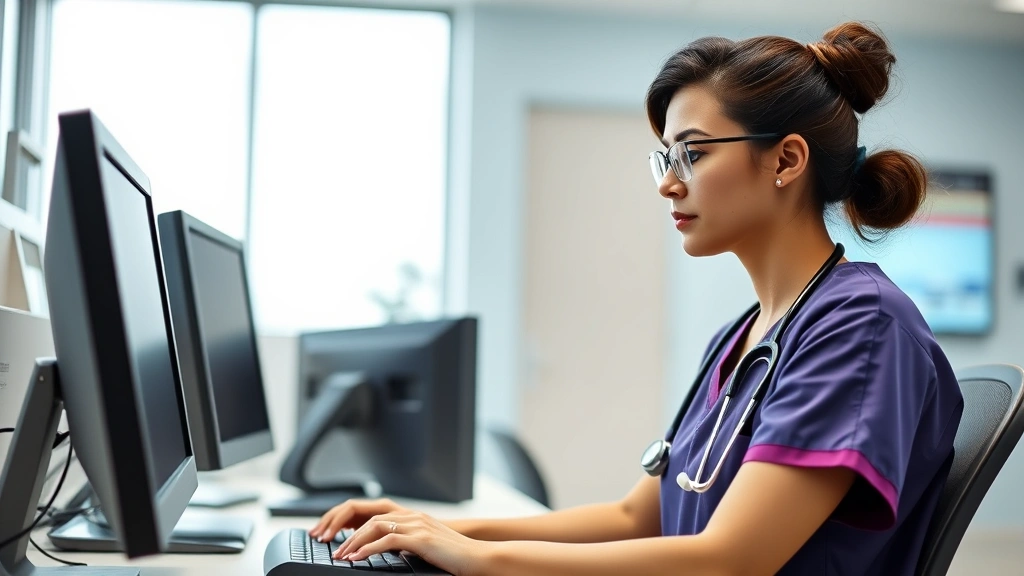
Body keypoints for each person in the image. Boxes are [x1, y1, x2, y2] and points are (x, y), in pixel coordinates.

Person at [308, 21, 964, 575]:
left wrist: (484, 560)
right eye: (665, 159)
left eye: (693, 155)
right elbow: (634, 517)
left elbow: (733, 559)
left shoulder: (860, 325)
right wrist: (440, 528)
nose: (668, 185)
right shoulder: (743, 337)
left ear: (786, 161)